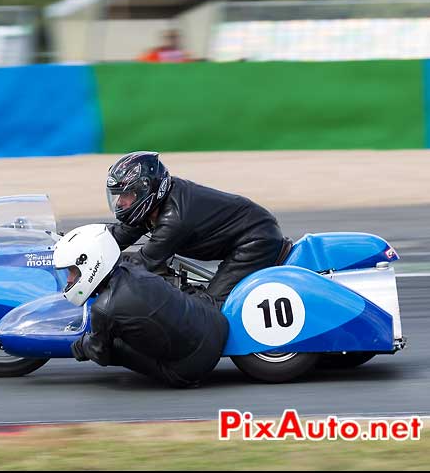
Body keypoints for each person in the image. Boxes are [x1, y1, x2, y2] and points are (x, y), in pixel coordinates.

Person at [54, 224, 229, 388]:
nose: (69, 279)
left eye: (73, 271)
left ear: (91, 264)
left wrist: (83, 345)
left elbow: (100, 354)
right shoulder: (132, 267)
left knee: (111, 345)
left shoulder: (103, 309)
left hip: (191, 369)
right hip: (216, 323)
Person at [105, 151, 291, 303]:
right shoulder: (155, 203)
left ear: (145, 189)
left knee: (211, 306)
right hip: (245, 232)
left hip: (255, 239)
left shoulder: (174, 219)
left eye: (126, 195)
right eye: (118, 196)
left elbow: (140, 264)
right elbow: (118, 235)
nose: (120, 202)